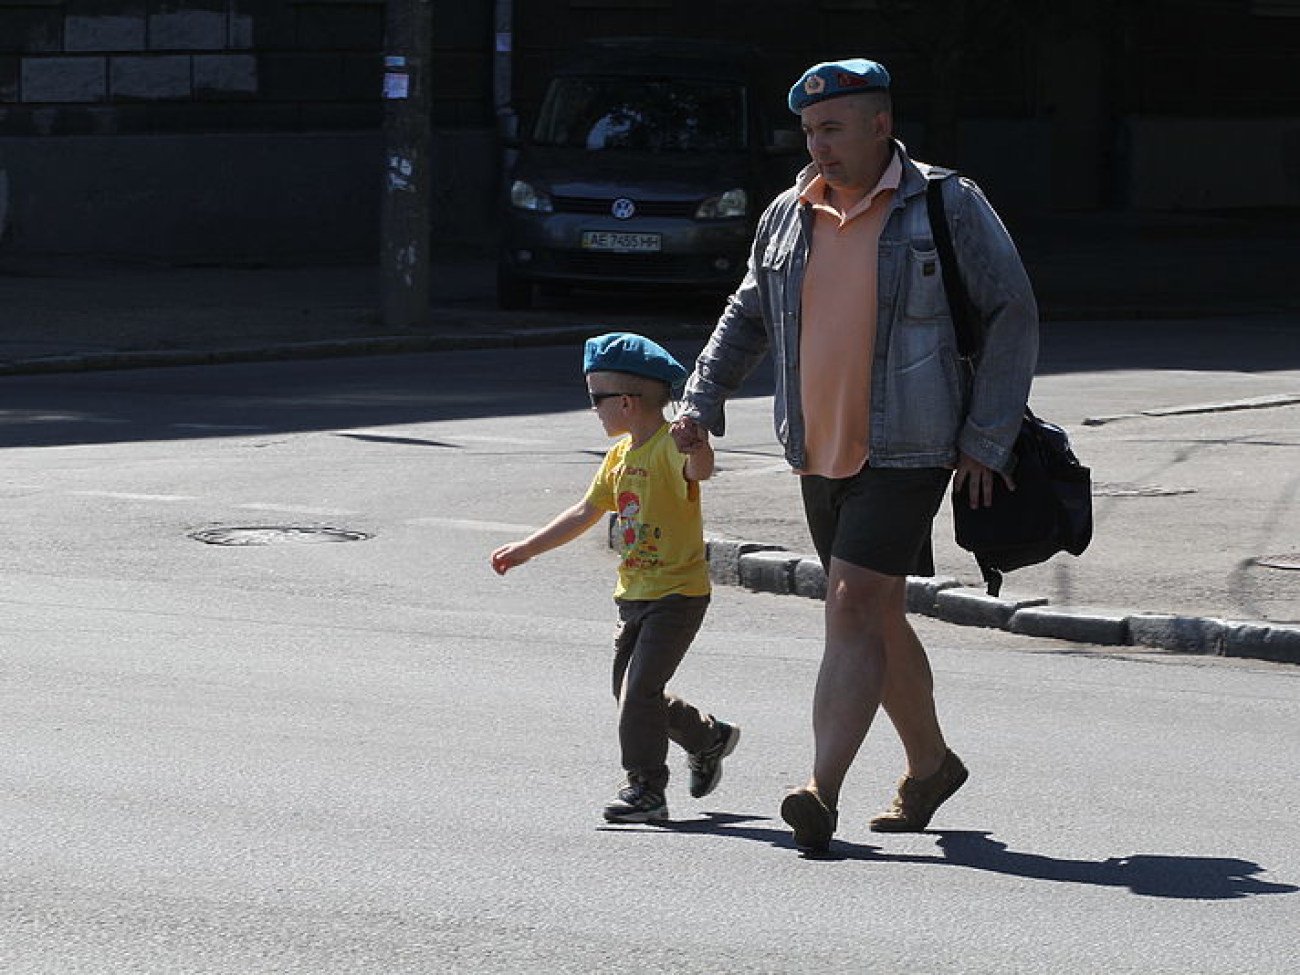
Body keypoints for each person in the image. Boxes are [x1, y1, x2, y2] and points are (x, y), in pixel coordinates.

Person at [671, 59, 1038, 852]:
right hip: (816, 446)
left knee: (849, 605)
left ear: (880, 125)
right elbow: (747, 313)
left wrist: (986, 435)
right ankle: (932, 765)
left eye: (833, 129)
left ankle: (820, 790)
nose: (819, 145)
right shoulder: (787, 213)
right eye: (809, 131)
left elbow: (1012, 312)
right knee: (875, 611)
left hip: (911, 444)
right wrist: (700, 400)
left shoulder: (946, 203)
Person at [491, 332, 741, 824]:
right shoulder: (620, 456)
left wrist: (699, 445)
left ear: (626, 402)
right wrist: (527, 549)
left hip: (678, 593)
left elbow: (700, 469)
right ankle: (706, 737)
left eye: (595, 400)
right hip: (634, 594)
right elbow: (585, 511)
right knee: (631, 695)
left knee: (639, 693)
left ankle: (646, 790)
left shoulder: (670, 446)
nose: (593, 411)